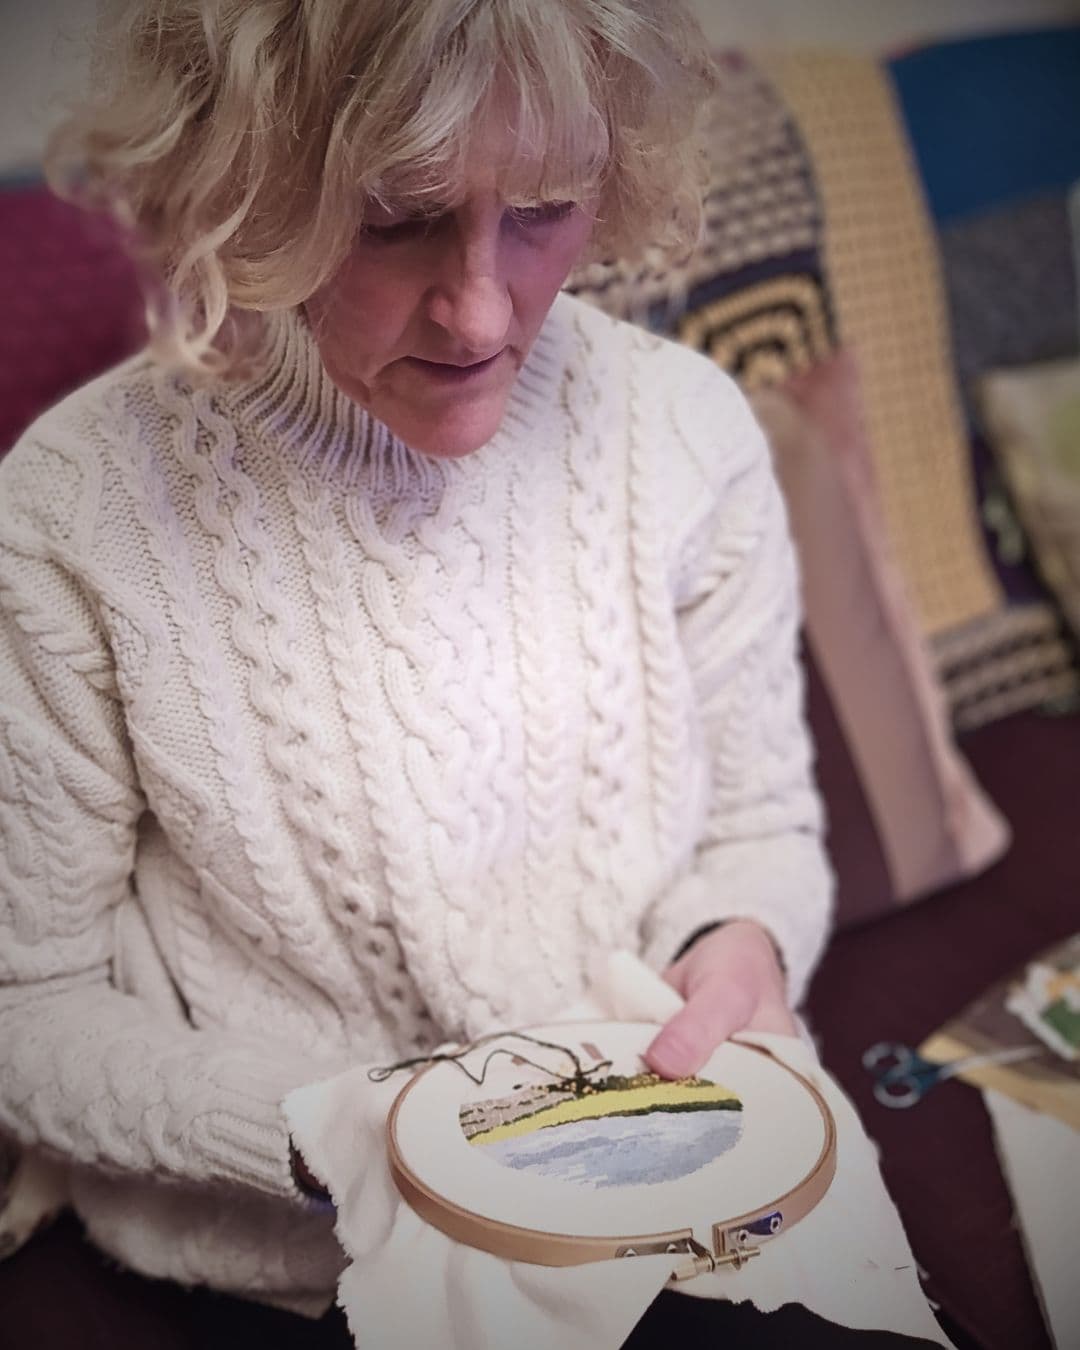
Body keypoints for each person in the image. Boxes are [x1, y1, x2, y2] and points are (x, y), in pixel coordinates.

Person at [0, 0, 833, 1337]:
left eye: (547, 207)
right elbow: (24, 1008)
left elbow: (762, 826)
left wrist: (741, 942)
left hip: (658, 1197)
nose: (481, 307)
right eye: (396, 217)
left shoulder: (687, 434)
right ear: (245, 189)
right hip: (298, 1257)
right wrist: (354, 1135)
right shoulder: (69, 516)